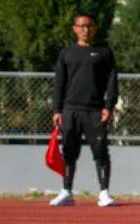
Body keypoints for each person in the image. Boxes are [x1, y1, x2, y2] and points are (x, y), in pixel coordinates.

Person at [50, 12, 117, 208]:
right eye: (81, 26)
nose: (85, 30)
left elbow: (112, 81)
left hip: (95, 111)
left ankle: (104, 192)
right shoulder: (66, 53)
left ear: (95, 28)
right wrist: (57, 110)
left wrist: (108, 105)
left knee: (101, 151)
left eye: (89, 26)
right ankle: (66, 191)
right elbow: (59, 83)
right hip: (70, 110)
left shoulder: (104, 52)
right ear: (74, 29)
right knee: (69, 152)